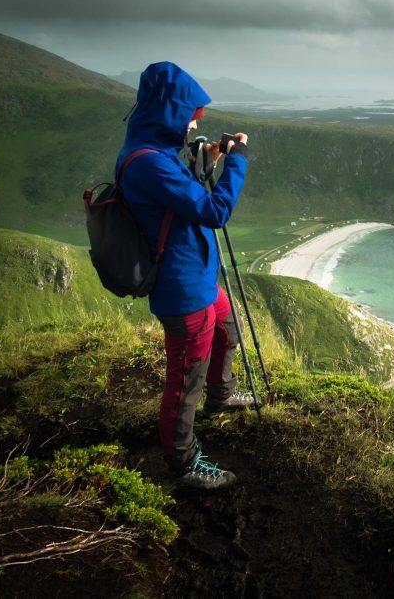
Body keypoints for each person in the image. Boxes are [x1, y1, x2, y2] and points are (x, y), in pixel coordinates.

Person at [118, 61, 257, 490]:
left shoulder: (151, 149)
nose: (195, 121)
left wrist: (204, 157)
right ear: (169, 111)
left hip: (196, 275)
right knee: (184, 378)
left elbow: (174, 193)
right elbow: (213, 211)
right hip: (181, 285)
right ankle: (183, 462)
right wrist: (237, 162)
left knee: (226, 329)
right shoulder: (149, 163)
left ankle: (222, 393)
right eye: (190, 113)